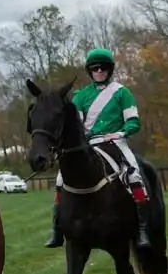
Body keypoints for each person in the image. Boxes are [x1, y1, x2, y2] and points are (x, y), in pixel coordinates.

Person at [45, 48, 151, 249]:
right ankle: (57, 230)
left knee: (134, 174)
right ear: (90, 71)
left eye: (103, 68)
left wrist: (120, 133)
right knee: (60, 179)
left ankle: (142, 231)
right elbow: (76, 124)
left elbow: (133, 122)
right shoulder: (81, 96)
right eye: (95, 68)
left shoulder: (122, 93)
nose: (99, 71)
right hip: (89, 144)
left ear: (110, 70)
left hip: (115, 141)